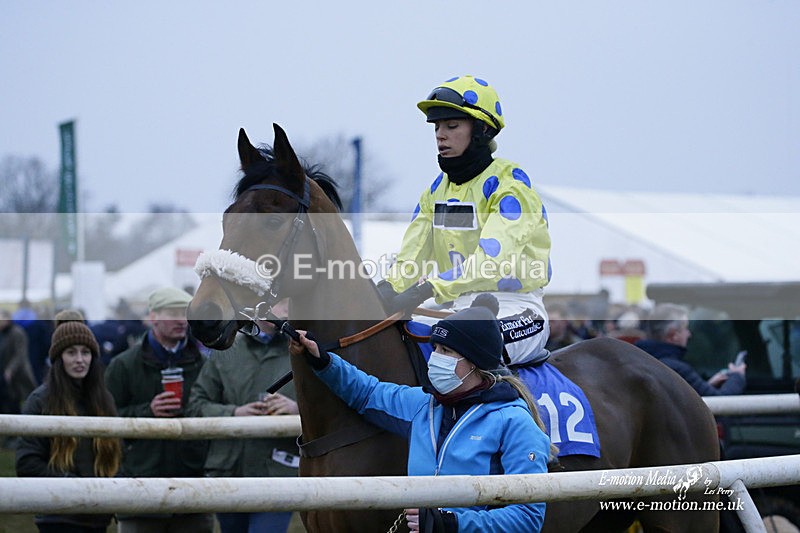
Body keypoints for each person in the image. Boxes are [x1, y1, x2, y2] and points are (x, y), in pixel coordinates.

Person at [290, 305, 551, 532]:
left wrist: (452, 524)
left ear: (474, 362)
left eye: (446, 350)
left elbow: (528, 518)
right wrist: (322, 360)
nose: (436, 357)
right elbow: (367, 392)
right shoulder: (423, 403)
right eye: (435, 347)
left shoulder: (514, 422)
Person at [377, 75, 552, 366]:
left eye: (452, 126)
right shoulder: (435, 191)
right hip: (455, 306)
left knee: (461, 347)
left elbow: (490, 260)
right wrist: (388, 287)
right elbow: (411, 259)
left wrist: (426, 288)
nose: (440, 135)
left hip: (518, 310)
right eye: (437, 127)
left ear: (482, 129)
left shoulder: (511, 186)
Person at [105, 287, 213, 533]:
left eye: (185, 313)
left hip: (193, 490)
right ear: (153, 317)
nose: (181, 320)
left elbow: (215, 410)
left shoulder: (204, 365)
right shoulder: (123, 365)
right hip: (140, 488)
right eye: (173, 312)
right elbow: (105, 420)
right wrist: (147, 411)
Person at [187, 298, 300, 533]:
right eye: (280, 302)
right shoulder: (225, 350)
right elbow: (196, 406)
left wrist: (296, 410)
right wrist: (235, 413)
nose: (287, 309)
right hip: (229, 472)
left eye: (292, 302)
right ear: (258, 306)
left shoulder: (302, 351)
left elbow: (331, 410)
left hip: (278, 475)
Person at [15, 310, 122, 533]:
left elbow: (117, 453)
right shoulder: (40, 401)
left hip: (98, 516)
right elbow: (27, 463)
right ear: (58, 358)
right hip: (58, 517)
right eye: (71, 352)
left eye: (85, 352)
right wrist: (74, 487)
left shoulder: (105, 399)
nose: (80, 360)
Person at [636, 303, 746, 396]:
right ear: (673, 335)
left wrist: (706, 386)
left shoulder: (638, 361)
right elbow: (720, 402)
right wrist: (737, 376)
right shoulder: (676, 369)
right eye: (685, 328)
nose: (689, 334)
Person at [0, 308, 37, 415]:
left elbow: (20, 354)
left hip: (18, 376)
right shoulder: (3, 334)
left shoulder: (17, 332)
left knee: (17, 403)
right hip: (4, 376)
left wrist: (10, 370)